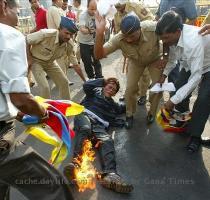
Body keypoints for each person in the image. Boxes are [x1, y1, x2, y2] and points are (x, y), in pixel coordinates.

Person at [0, 0, 74, 199]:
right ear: (3, 6)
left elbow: (4, 92)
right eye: (16, 11)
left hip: (49, 65)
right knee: (55, 189)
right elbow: (20, 98)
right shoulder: (9, 35)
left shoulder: (68, 43)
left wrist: (20, 116)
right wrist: (43, 113)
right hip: (2, 140)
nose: (17, 17)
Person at [94, 13, 165, 129]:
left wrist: (165, 57)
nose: (128, 39)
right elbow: (98, 55)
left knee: (158, 87)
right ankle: (129, 114)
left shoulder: (153, 28)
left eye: (132, 36)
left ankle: (152, 113)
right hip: (136, 62)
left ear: (140, 29)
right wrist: (99, 33)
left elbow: (167, 39)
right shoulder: (119, 38)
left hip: (155, 60)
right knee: (130, 88)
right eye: (125, 36)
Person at [63, 78, 133, 193]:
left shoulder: (113, 104)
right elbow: (86, 85)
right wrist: (104, 80)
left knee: (107, 140)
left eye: (114, 90)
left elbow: (123, 106)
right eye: (109, 87)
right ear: (104, 86)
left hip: (99, 126)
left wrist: (131, 96)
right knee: (85, 129)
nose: (111, 90)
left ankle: (111, 175)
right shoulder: (94, 92)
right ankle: (76, 165)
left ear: (115, 94)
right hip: (85, 116)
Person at [156, 11, 210, 153]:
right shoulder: (172, 37)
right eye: (162, 39)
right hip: (190, 64)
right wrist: (164, 74)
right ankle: (184, 120)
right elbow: (173, 59)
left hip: (208, 66)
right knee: (177, 87)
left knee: (204, 99)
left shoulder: (193, 41)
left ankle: (195, 135)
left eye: (166, 38)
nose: (165, 42)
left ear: (178, 31)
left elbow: (196, 77)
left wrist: (172, 101)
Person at [26, 16, 85, 99]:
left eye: (71, 35)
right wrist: (29, 58)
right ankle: (46, 110)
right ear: (59, 29)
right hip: (36, 61)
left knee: (64, 82)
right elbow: (26, 40)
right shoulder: (46, 34)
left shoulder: (69, 44)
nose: (68, 37)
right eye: (66, 33)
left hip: (50, 63)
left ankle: (66, 107)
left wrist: (85, 81)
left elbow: (75, 64)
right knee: (45, 87)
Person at [113, 0, 153, 105]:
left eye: (119, 6)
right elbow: (118, 32)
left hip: (143, 44)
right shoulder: (116, 15)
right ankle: (130, 93)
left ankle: (143, 95)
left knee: (144, 73)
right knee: (130, 72)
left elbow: (150, 19)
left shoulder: (136, 7)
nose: (118, 8)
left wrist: (137, 30)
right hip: (129, 47)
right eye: (115, 6)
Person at [155, 0, 197, 84]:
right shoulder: (163, 1)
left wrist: (180, 35)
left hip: (177, 39)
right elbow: (157, 17)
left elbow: (193, 19)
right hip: (168, 40)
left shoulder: (187, 1)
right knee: (170, 62)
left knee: (179, 73)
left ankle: (176, 90)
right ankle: (175, 91)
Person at [78, 0, 103, 79]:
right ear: (87, 7)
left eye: (95, 9)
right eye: (92, 9)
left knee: (97, 60)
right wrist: (90, 30)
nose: (94, 11)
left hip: (94, 42)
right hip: (84, 43)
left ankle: (99, 78)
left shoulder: (98, 13)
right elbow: (82, 29)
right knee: (87, 62)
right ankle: (91, 78)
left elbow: (104, 23)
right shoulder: (82, 15)